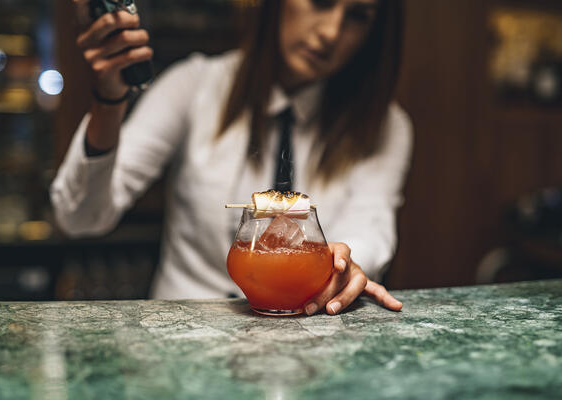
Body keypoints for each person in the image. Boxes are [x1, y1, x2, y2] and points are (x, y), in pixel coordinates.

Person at [51, 0, 412, 315]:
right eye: (320, 1)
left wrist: (345, 264)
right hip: (184, 341)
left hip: (305, 339)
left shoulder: (384, 125)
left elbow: (370, 225)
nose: (331, 32)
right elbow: (79, 217)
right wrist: (108, 103)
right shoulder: (192, 86)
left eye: (358, 15)